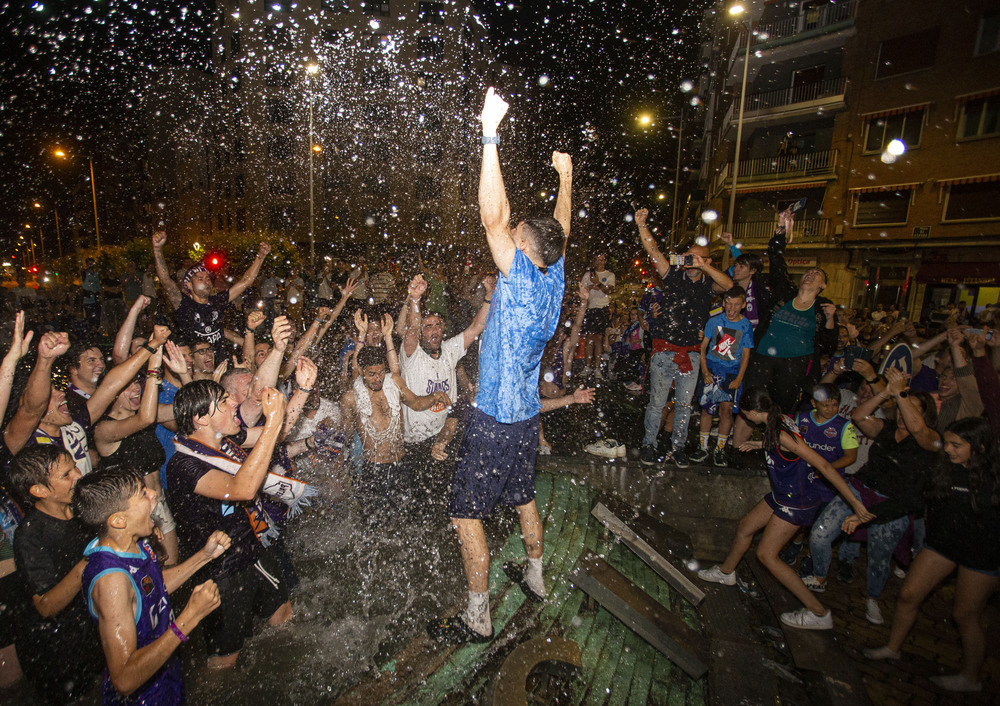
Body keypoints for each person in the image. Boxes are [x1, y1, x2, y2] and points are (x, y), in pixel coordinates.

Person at [427, 87, 572, 644]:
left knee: (468, 515)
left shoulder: (519, 276)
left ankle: (477, 613)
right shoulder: (555, 273)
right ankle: (536, 577)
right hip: (526, 419)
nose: (507, 237)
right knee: (524, 495)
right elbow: (560, 228)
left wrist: (489, 133)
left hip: (492, 421)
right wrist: (565, 177)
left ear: (526, 250)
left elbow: (493, 214)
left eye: (515, 238)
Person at [697, 387, 874, 630]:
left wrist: (855, 504)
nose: (744, 415)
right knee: (746, 526)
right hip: (783, 494)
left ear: (753, 412)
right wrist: (760, 444)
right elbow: (785, 445)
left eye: (744, 411)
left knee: (767, 556)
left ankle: (819, 613)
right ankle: (727, 572)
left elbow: (823, 464)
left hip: (796, 500)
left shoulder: (782, 432)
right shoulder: (779, 420)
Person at [863, 417, 999, 693]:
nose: (948, 449)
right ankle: (892, 648)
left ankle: (970, 678)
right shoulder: (942, 469)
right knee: (908, 595)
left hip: (982, 555)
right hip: (942, 546)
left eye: (956, 445)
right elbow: (911, 499)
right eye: (947, 443)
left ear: (980, 447)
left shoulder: (994, 477)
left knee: (965, 614)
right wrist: (867, 515)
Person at [73, 470, 228, 705]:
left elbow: (152, 587)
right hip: (143, 698)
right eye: (142, 493)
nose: (154, 493)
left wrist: (204, 557)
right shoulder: (111, 581)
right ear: (118, 520)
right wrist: (189, 618)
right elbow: (124, 678)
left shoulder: (133, 542)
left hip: (166, 679)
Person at [165, 381, 290, 669]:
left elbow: (276, 434)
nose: (235, 401)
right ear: (200, 418)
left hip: (253, 549)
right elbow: (242, 489)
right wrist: (272, 423)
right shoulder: (184, 465)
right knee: (224, 660)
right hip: (220, 571)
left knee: (283, 616)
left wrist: (300, 394)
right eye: (223, 401)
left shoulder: (226, 443)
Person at [803, 368, 941, 624]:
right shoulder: (885, 428)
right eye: (900, 408)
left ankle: (872, 598)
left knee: (879, 558)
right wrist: (887, 393)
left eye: (911, 409)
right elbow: (858, 415)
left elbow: (918, 429)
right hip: (859, 489)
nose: (903, 414)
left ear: (924, 415)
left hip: (893, 505)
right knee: (820, 533)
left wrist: (901, 393)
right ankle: (820, 577)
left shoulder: (930, 439)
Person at [633, 207, 733, 468]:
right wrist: (642, 224)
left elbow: (729, 286)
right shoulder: (674, 277)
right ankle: (648, 444)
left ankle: (677, 448)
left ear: (707, 262)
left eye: (697, 259)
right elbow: (653, 251)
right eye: (689, 257)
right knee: (656, 404)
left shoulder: (707, 284)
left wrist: (705, 267)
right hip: (664, 351)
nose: (690, 262)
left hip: (689, 354)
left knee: (685, 406)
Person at [9, 445, 101, 703]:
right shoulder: (30, 536)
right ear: (39, 491)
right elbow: (46, 606)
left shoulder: (82, 508)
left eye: (74, 466)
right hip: (56, 648)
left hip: (90, 629)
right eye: (66, 475)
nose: (78, 475)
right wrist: (88, 561)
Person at [337, 346, 451, 515]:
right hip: (374, 468)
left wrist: (435, 396)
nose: (378, 378)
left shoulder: (395, 382)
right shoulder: (351, 398)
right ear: (361, 371)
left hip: (401, 463)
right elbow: (345, 434)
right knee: (375, 521)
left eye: (381, 372)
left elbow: (416, 403)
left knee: (407, 517)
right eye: (371, 374)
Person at [396, 272, 493, 449]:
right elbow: (412, 327)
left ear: (443, 329)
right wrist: (415, 299)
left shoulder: (449, 350)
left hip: (442, 434)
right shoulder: (412, 353)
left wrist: (488, 297)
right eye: (428, 326)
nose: (434, 330)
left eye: (438, 325)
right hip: (415, 440)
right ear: (421, 332)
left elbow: (476, 327)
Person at [152, 230, 271, 360]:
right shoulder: (184, 304)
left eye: (208, 278)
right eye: (200, 279)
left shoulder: (217, 301)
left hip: (220, 362)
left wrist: (261, 256)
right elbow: (166, 282)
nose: (206, 281)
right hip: (196, 366)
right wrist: (157, 249)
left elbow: (245, 281)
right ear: (189, 285)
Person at [691, 285, 753, 467]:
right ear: (723, 303)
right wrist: (705, 372)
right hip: (711, 369)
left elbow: (746, 354)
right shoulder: (714, 321)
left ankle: (720, 449)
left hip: (731, 373)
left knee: (726, 411)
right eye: (728, 304)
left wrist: (739, 378)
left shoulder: (745, 325)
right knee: (707, 409)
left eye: (736, 305)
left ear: (742, 305)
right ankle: (703, 447)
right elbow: (702, 349)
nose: (731, 309)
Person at [580, 252, 615, 378]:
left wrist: (598, 284)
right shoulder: (587, 275)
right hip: (590, 308)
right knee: (589, 338)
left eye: (602, 260)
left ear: (605, 261)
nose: (599, 262)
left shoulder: (609, 275)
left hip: (602, 309)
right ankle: (588, 366)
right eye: (597, 260)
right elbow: (581, 290)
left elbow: (610, 290)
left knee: (598, 338)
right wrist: (588, 288)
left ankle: (597, 368)